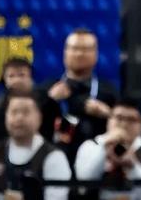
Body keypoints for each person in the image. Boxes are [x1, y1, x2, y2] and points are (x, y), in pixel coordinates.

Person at [43, 28, 119, 165]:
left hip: (97, 162)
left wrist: (109, 114)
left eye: (85, 49)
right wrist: (50, 101)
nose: (79, 54)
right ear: (65, 53)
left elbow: (125, 129)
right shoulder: (48, 89)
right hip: (52, 159)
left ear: (96, 54)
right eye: (74, 48)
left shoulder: (109, 92)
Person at [75, 98, 141, 200]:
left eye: (131, 120)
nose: (124, 124)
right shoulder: (91, 146)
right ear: (109, 120)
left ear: (140, 125)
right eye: (119, 118)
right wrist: (103, 149)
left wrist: (133, 166)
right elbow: (84, 185)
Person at [0, 89, 72, 200]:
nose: (19, 118)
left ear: (39, 118)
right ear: (6, 116)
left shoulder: (54, 157)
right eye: (14, 112)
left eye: (26, 112)